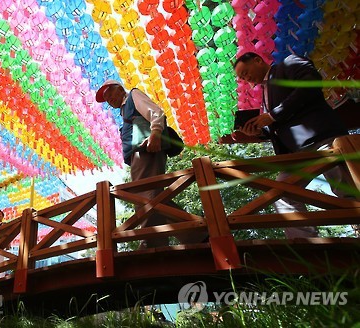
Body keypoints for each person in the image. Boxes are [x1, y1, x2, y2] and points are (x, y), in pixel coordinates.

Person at [233, 52, 354, 238]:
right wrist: (257, 131)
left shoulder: (287, 63)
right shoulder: (264, 96)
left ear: (258, 60)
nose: (246, 78)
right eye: (242, 78)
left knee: (345, 188)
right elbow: (276, 126)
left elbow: (310, 84)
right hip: (296, 154)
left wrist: (272, 115)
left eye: (246, 72)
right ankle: (306, 244)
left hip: (323, 137)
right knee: (281, 193)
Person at [96, 80, 207, 247]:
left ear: (119, 89)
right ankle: (193, 234)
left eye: (109, 93)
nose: (108, 99)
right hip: (138, 155)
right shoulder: (123, 110)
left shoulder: (133, 95)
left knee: (145, 195)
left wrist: (155, 133)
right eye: (106, 98)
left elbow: (156, 112)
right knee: (151, 197)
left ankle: (152, 240)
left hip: (146, 150)